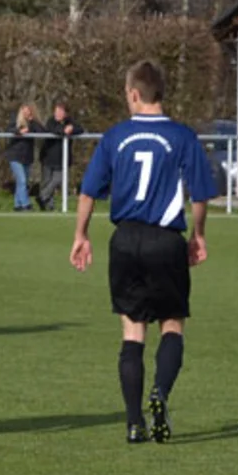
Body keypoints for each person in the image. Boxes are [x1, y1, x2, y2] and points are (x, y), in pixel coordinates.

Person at [70, 61, 214, 444]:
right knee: (172, 324)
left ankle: (134, 423)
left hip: (125, 240)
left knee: (132, 331)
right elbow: (200, 195)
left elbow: (88, 191)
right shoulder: (182, 137)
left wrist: (81, 234)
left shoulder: (115, 136)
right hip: (165, 241)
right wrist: (198, 235)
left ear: (134, 94)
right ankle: (160, 393)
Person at [36, 101, 80, 213]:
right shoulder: (51, 121)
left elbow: (80, 129)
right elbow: (54, 129)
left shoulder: (70, 121)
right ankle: (48, 206)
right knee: (46, 181)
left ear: (66, 113)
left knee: (58, 179)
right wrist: (64, 130)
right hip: (48, 157)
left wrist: (72, 129)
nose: (58, 114)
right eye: (56, 111)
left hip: (62, 159)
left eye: (60, 111)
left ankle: (42, 196)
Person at [5, 104, 39, 211]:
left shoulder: (32, 124)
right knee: (22, 180)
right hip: (15, 155)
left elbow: (42, 130)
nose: (26, 113)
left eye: (28, 111)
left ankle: (17, 205)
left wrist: (33, 121)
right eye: (24, 111)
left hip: (27, 156)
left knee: (22, 182)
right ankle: (26, 204)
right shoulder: (15, 120)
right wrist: (19, 132)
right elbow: (8, 129)